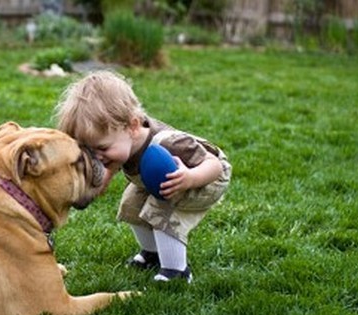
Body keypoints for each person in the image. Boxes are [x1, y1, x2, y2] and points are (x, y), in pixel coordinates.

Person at [54, 70, 231, 282]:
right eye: (89, 150)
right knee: (131, 203)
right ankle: (152, 254)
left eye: (102, 148)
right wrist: (99, 185)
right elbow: (111, 165)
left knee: (159, 210)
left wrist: (189, 178)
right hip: (156, 180)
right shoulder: (120, 143)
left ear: (133, 126)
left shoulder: (169, 143)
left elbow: (214, 165)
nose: (96, 157)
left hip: (202, 178)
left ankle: (177, 272)